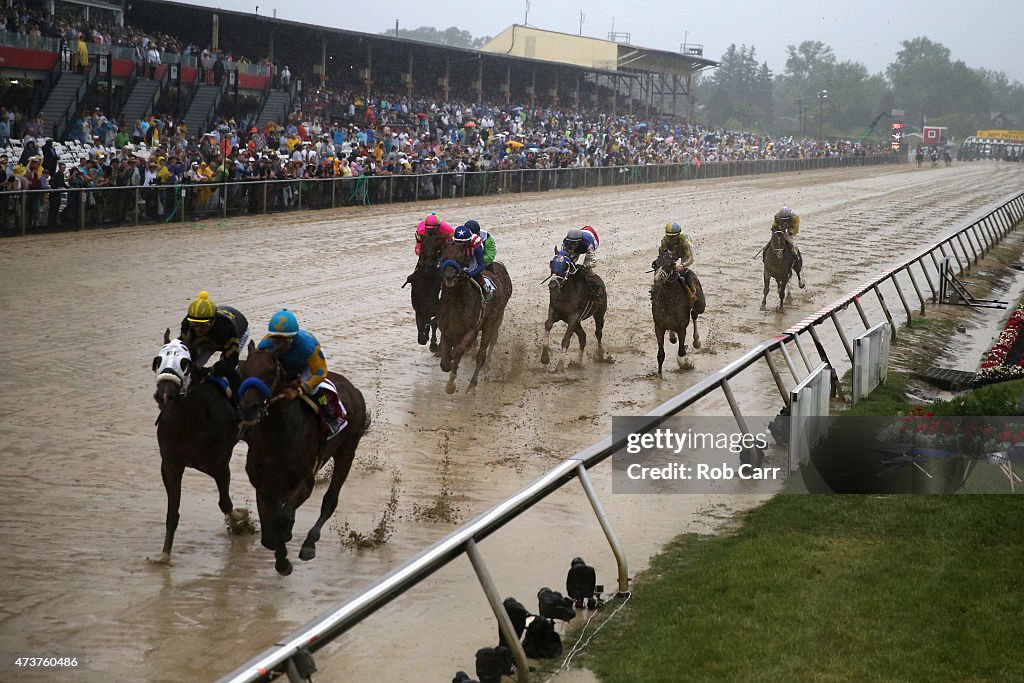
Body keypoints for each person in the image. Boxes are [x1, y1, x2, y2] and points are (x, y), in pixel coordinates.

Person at [256, 309, 343, 435]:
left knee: (313, 389)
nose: (278, 345)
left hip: (306, 364)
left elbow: (320, 373)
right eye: (275, 340)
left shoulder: (308, 346)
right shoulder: (265, 344)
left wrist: (300, 389)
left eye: (283, 341)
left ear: (292, 338)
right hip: (284, 362)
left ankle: (329, 416)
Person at [178, 291, 249, 395]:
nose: (199, 329)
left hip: (238, 328)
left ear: (213, 321)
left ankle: (238, 399)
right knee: (192, 365)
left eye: (204, 325)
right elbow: (183, 354)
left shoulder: (226, 328)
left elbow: (231, 360)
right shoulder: (187, 325)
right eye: (195, 324)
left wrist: (211, 370)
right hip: (212, 337)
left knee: (226, 371)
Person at [451, 225, 495, 302]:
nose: (461, 246)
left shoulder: (476, 244)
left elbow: (481, 265)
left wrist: (470, 274)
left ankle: (486, 288)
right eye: (458, 243)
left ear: (468, 241)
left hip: (473, 255)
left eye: (463, 244)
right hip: (461, 256)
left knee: (473, 273)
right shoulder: (451, 243)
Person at [562, 226, 603, 303]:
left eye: (575, 244)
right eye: (571, 243)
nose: (573, 245)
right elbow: (563, 257)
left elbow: (593, 262)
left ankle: (597, 294)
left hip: (593, 238)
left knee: (587, 271)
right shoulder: (566, 242)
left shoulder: (588, 244)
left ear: (579, 242)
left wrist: (585, 266)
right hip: (583, 233)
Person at [657, 221, 698, 295]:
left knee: (684, 271)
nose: (671, 239)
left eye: (673, 237)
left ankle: (692, 290)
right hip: (673, 252)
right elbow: (662, 255)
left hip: (683, 252)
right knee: (661, 270)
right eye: (669, 236)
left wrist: (682, 266)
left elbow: (691, 259)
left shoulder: (684, 242)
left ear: (678, 235)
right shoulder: (665, 240)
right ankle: (656, 289)